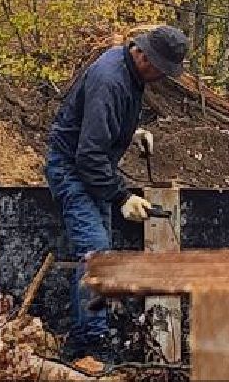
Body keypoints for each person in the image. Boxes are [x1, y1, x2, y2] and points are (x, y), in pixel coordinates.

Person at [46, 24, 190, 362]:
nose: (160, 77)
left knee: (98, 254)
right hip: (74, 170)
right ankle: (91, 343)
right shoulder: (111, 79)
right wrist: (122, 197)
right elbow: (88, 155)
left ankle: (83, 340)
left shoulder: (128, 71)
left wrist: (131, 132)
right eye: (158, 68)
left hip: (93, 171)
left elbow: (96, 124)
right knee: (97, 254)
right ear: (142, 54)